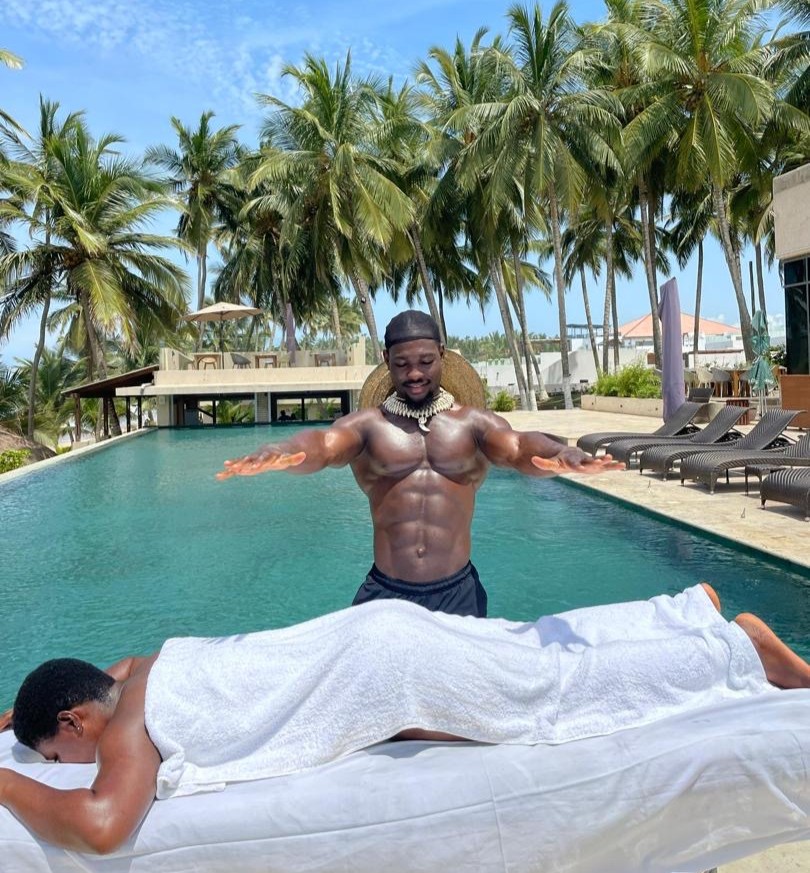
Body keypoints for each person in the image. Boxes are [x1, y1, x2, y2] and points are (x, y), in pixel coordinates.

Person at [1, 583, 809, 854]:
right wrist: (12, 723)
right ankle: (682, 613)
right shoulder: (142, 667)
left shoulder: (130, 727)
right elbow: (86, 680)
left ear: (75, 722)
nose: (67, 768)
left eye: (57, 755)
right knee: (535, 660)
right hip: (379, 644)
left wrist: (6, 779)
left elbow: (101, 826)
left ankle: (738, 650)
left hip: (389, 670)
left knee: (553, 697)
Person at [217, 311, 623, 617]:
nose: (414, 374)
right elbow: (322, 445)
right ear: (386, 360)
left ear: (442, 355)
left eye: (426, 362)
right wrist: (281, 450)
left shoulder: (473, 425)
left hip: (458, 593)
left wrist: (560, 453)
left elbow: (519, 447)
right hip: (385, 593)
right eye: (402, 364)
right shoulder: (368, 427)